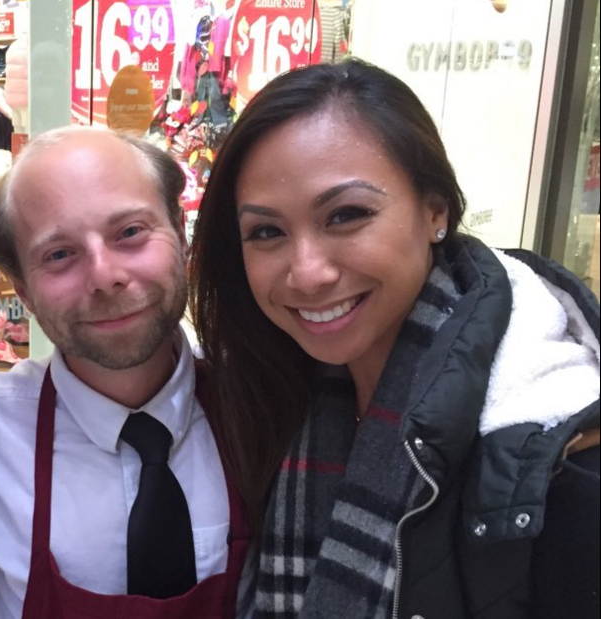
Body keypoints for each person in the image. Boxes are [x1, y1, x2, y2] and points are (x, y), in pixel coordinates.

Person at [190, 58, 600, 619]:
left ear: (435, 212)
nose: (307, 273)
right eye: (266, 231)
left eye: (345, 215)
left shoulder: (560, 463)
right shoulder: (266, 398)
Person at [0, 126, 256, 619]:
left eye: (130, 232)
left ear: (181, 236)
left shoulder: (259, 411)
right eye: (59, 254)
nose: (105, 276)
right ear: (24, 291)